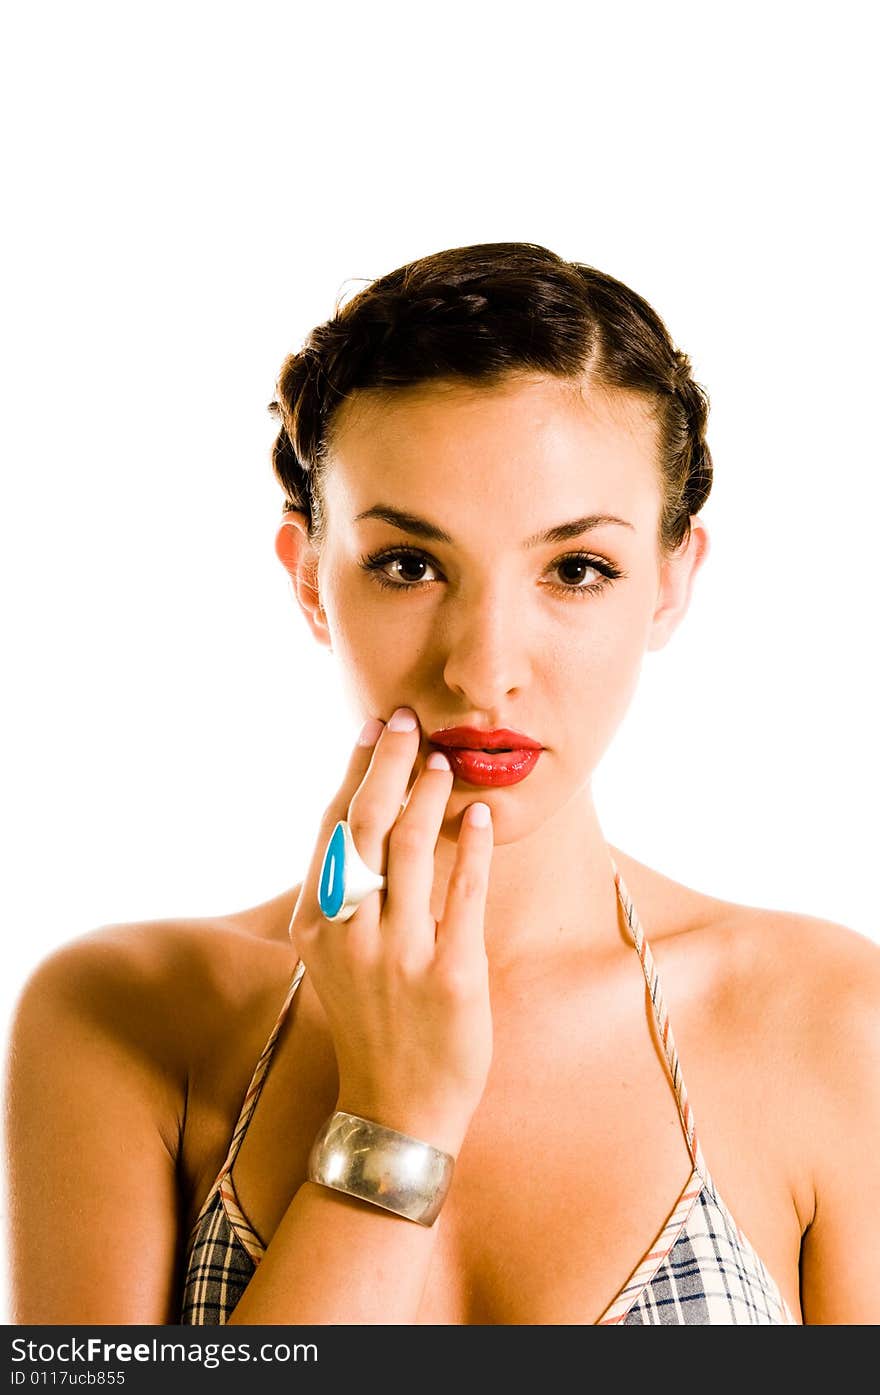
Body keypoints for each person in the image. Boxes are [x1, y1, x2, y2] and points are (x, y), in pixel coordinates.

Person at [5, 240, 879, 1327]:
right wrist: (393, 1113)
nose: (482, 668)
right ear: (310, 582)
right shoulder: (122, 1019)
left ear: (669, 585)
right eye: (410, 566)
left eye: (576, 569)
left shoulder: (834, 1022)